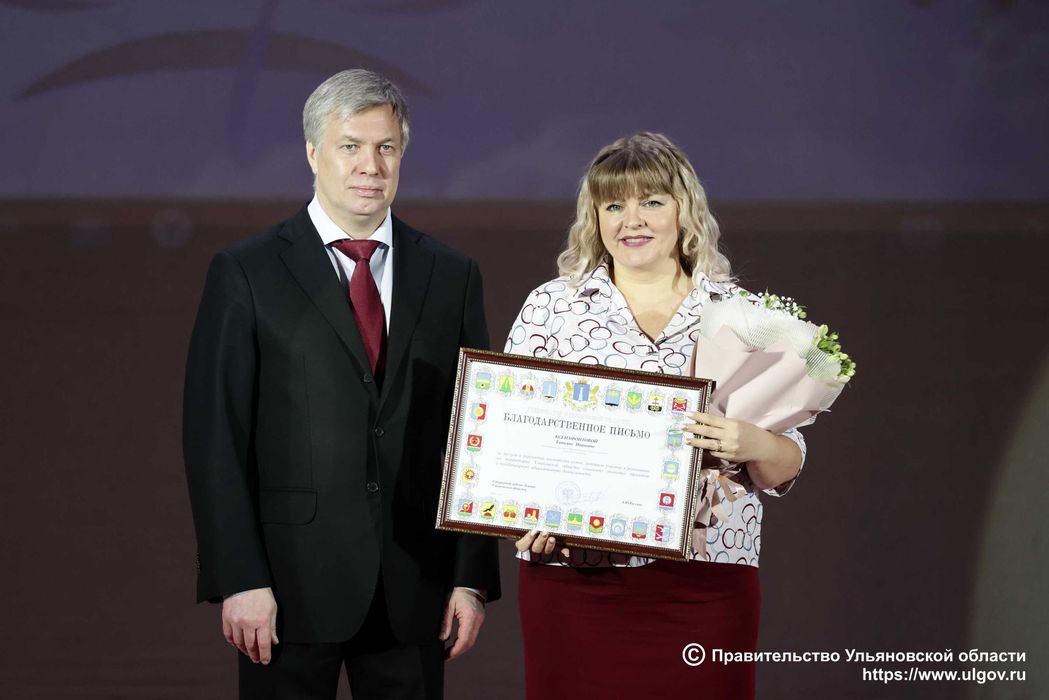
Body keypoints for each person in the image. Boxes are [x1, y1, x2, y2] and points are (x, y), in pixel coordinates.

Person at [183, 69, 500, 700]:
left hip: (416, 587)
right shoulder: (247, 272)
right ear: (312, 153)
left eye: (386, 147)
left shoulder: (452, 274)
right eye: (349, 146)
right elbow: (215, 434)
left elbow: (475, 433)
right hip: (286, 589)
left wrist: (469, 577)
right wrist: (238, 577)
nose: (369, 166)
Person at [505, 132, 806, 699]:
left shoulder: (744, 316)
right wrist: (520, 512)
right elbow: (510, 433)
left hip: (706, 581)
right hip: (577, 577)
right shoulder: (552, 307)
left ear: (683, 210)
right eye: (614, 206)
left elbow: (786, 463)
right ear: (595, 218)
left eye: (651, 201)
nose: (632, 221)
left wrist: (750, 442)